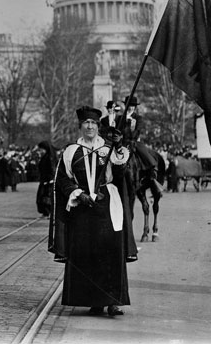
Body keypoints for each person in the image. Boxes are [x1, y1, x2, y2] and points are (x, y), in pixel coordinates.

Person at [51, 106, 134, 317]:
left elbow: (120, 171)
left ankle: (114, 301)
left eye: (94, 123)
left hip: (106, 205)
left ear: (98, 127)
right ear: (80, 126)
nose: (90, 126)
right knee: (87, 254)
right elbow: (62, 179)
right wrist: (78, 193)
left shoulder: (108, 149)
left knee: (110, 252)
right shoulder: (71, 151)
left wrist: (118, 145)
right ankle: (94, 301)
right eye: (86, 123)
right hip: (82, 207)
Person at [36, 140, 58, 216]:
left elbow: (52, 170)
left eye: (41, 150)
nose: (40, 151)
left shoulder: (50, 158)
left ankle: (48, 212)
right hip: (44, 180)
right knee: (42, 197)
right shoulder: (44, 157)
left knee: (46, 197)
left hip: (49, 181)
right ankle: (45, 212)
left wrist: (50, 180)